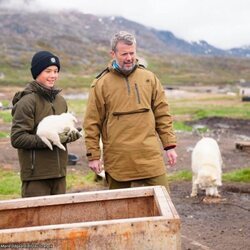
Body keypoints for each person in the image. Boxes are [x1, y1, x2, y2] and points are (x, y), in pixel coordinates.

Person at [83, 31, 177, 190]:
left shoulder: (149, 78)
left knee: (163, 202)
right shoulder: (101, 83)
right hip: (118, 159)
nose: (129, 58)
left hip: (149, 156)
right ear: (113, 54)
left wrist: (169, 146)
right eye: (124, 54)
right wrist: (93, 156)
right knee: (119, 209)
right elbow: (92, 122)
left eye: (132, 53)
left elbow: (162, 114)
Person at [11, 51, 81, 197]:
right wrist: (50, 139)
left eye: (56, 71)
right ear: (37, 73)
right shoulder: (27, 102)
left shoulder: (60, 101)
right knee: (35, 220)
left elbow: (62, 133)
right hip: (36, 176)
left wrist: (70, 135)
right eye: (48, 71)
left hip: (59, 174)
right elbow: (17, 138)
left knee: (59, 219)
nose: (53, 75)